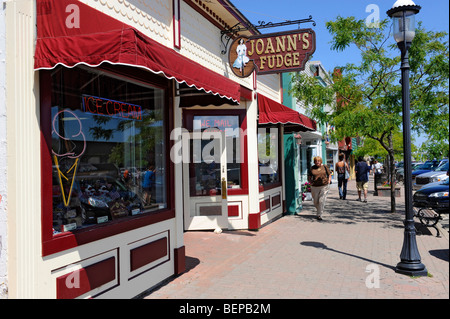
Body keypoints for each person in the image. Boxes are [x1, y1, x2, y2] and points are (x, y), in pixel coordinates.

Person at [308, 156, 332, 220]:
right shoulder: (312, 168)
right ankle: (319, 210)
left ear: (320, 161)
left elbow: (329, 174)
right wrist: (310, 182)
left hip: (324, 185)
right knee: (315, 202)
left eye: (318, 161)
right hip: (315, 186)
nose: (317, 162)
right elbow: (309, 176)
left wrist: (329, 181)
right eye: (316, 161)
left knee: (321, 200)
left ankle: (319, 214)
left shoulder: (324, 166)